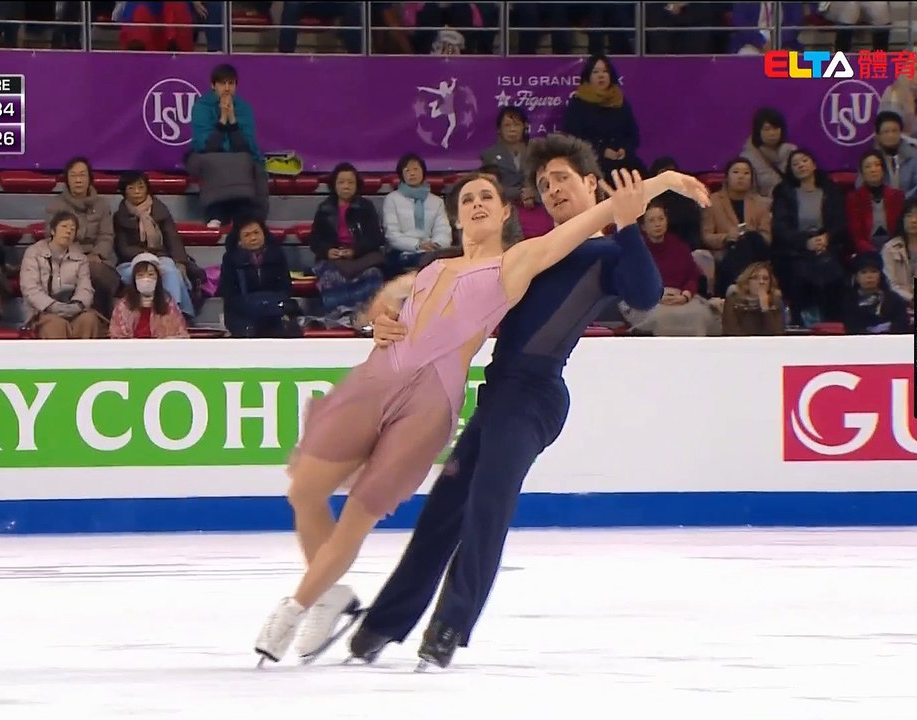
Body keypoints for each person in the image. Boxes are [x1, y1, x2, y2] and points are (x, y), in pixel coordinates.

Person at [254, 164, 706, 666]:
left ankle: (449, 626)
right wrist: (384, 321)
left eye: (563, 179)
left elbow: (645, 295)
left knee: (488, 505)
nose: (554, 189)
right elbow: (439, 299)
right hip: (497, 392)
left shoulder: (602, 252)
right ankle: (381, 626)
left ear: (591, 186)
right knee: (443, 511)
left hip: (534, 396)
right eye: (545, 185)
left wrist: (630, 218)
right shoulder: (526, 253)